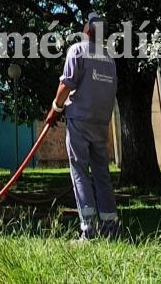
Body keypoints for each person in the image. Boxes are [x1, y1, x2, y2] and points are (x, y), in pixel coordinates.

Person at [45, 12, 119, 240]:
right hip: (100, 122)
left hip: (80, 119)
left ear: (87, 30)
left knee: (79, 171)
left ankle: (89, 230)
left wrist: (55, 110)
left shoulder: (77, 50)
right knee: (101, 174)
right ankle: (110, 228)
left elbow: (65, 85)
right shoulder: (109, 57)